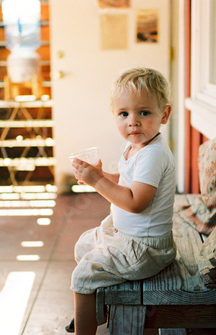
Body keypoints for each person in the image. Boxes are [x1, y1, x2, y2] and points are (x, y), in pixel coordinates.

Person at [68, 67, 177, 334]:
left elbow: (135, 202)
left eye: (144, 112)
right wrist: (100, 174)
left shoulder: (153, 155)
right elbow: (125, 180)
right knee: (83, 246)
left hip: (145, 249)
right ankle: (93, 310)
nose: (133, 122)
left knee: (82, 276)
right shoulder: (135, 146)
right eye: (124, 113)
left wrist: (97, 182)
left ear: (164, 114)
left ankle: (86, 321)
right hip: (126, 236)